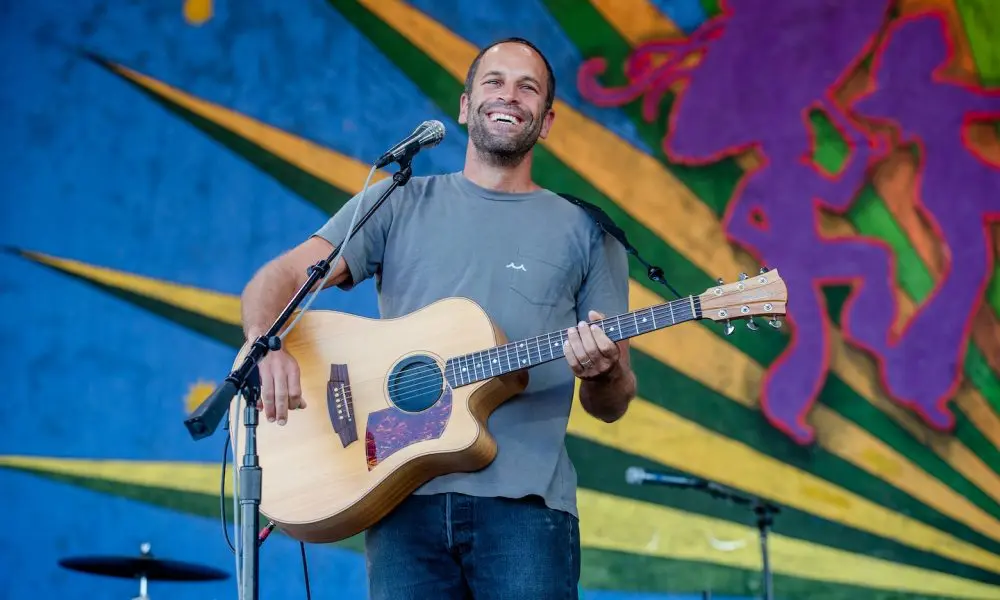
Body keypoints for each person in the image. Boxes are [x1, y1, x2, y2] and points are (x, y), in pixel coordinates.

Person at [239, 37, 637, 599]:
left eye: (528, 88)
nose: (509, 96)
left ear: (546, 122)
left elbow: (612, 405)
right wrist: (266, 340)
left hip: (527, 512)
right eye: (494, 81)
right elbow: (278, 278)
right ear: (464, 104)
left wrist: (602, 373)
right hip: (397, 499)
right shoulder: (395, 201)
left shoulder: (589, 231)